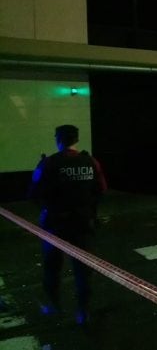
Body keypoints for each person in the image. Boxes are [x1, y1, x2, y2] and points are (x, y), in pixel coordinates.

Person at [28, 124, 107, 325]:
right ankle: (83, 312)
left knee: (52, 268)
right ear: (76, 139)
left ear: (58, 139)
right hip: (82, 224)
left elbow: (33, 192)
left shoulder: (48, 164)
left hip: (55, 226)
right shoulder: (90, 161)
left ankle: (54, 307)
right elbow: (101, 190)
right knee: (83, 271)